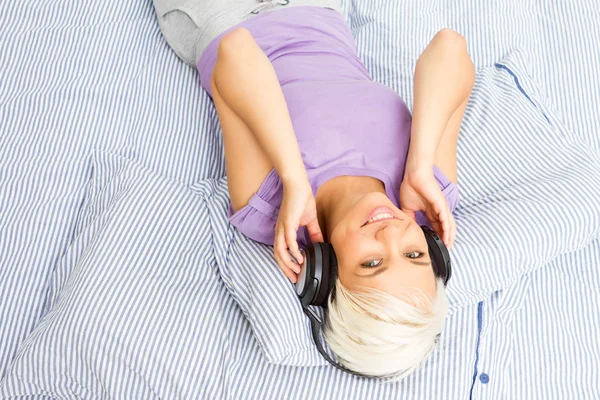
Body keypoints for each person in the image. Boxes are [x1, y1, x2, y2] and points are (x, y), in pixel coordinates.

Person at [153, 0, 475, 379]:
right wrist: (420, 161)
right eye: (415, 253)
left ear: (328, 269)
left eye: (372, 264)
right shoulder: (425, 192)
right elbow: (450, 48)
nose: (391, 235)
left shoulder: (267, 208)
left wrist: (293, 177)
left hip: (225, 13)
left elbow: (237, 50)